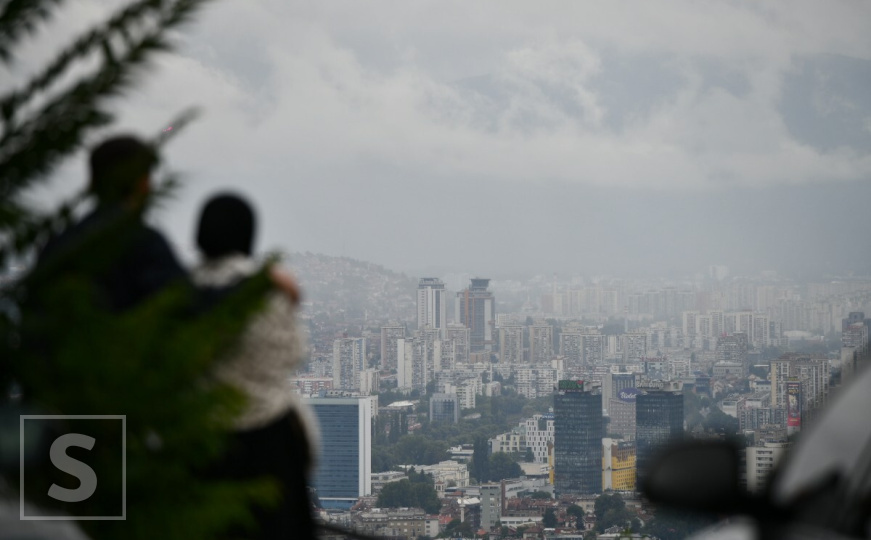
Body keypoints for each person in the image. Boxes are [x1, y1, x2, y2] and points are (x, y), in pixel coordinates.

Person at [29, 134, 300, 311]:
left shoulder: (56, 245)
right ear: (143, 183)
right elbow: (187, 305)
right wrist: (260, 283)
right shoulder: (140, 243)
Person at [192, 192, 318, 540]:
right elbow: (292, 351)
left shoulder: (181, 290)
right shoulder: (264, 290)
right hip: (269, 440)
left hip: (201, 442)